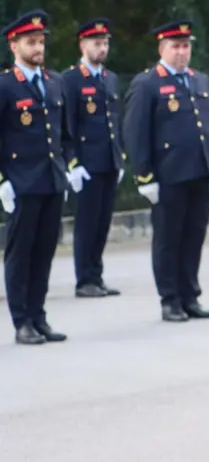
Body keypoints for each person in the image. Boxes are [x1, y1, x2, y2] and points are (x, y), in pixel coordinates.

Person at [124, 20, 209, 323]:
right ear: (162, 48)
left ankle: (190, 295)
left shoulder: (200, 80)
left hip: (199, 171)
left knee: (193, 236)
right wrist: (144, 176)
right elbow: (135, 132)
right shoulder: (147, 83)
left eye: (185, 46)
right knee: (169, 238)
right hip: (168, 175)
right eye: (175, 46)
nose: (181, 52)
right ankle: (170, 299)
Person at [0, 10, 73, 345]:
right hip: (22, 182)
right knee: (21, 253)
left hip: (51, 180)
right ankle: (22, 322)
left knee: (44, 250)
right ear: (14, 46)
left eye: (41, 41)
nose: (38, 47)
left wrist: (68, 168)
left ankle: (39, 315)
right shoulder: (5, 86)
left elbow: (64, 134)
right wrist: (2, 180)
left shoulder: (55, 82)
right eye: (31, 42)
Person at [61, 18, 126, 297]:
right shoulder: (71, 79)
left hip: (108, 160)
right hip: (86, 163)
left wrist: (120, 157)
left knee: (102, 222)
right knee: (87, 223)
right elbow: (68, 125)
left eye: (105, 43)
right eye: (97, 43)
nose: (102, 48)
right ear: (83, 45)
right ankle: (84, 279)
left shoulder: (109, 79)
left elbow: (115, 121)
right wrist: (72, 162)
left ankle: (96, 276)